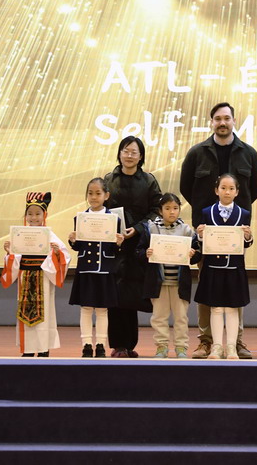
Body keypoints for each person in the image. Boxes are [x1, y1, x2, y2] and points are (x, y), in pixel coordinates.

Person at [180, 102, 257, 359]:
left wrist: (235, 220)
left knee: (234, 287)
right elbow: (186, 188)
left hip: (236, 235)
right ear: (212, 122)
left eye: (227, 118)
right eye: (218, 119)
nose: (222, 122)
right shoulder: (197, 153)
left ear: (234, 121)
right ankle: (207, 341)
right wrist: (206, 218)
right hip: (207, 234)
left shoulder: (248, 153)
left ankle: (236, 341)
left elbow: (255, 189)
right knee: (207, 287)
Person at [104, 136, 163, 358]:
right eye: (125, 151)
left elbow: (156, 210)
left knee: (131, 295)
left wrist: (137, 229)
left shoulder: (148, 181)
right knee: (115, 295)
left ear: (141, 156)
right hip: (115, 245)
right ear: (119, 153)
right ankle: (117, 344)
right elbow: (101, 209)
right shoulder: (109, 180)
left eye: (134, 152)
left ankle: (129, 345)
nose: (129, 155)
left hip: (138, 245)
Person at [0, 192, 69, 357]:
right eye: (30, 214)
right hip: (25, 278)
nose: (33, 217)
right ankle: (28, 350)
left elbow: (64, 257)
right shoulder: (20, 234)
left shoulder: (50, 236)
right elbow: (14, 259)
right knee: (25, 316)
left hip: (43, 279)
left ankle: (44, 349)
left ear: (45, 215)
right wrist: (9, 252)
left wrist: (57, 253)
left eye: (38, 213)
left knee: (45, 316)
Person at [194, 174, 253, 359]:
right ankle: (217, 347)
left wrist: (248, 236)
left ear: (237, 192)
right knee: (216, 308)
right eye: (223, 188)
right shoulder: (207, 212)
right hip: (212, 267)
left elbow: (246, 243)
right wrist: (200, 235)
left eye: (231, 188)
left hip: (234, 267)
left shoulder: (244, 214)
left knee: (233, 308)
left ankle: (232, 347)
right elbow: (202, 242)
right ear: (216, 190)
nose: (227, 192)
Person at [137, 193, 201, 358]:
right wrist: (146, 253)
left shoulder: (186, 230)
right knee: (159, 317)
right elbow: (139, 251)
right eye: (167, 208)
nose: (171, 212)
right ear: (160, 211)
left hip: (179, 284)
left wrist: (193, 253)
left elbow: (198, 254)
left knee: (181, 318)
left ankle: (181, 347)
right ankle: (161, 346)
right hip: (158, 283)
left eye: (175, 208)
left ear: (179, 210)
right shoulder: (150, 228)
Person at [67, 178, 125, 358]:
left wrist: (118, 243)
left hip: (105, 269)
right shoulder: (80, 218)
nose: (94, 197)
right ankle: (86, 345)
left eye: (98, 193)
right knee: (86, 309)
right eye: (90, 193)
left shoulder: (114, 219)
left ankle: (100, 345)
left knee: (102, 310)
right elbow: (79, 247)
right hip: (86, 269)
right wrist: (73, 240)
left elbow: (114, 249)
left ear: (106, 195)